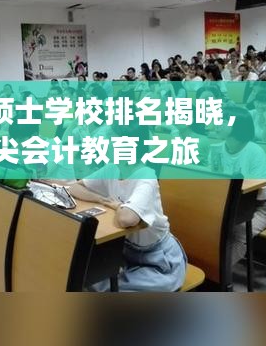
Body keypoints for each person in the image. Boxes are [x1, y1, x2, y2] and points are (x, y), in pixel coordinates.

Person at [68, 122, 187, 292]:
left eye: (109, 140)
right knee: (87, 278)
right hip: (127, 255)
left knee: (106, 287)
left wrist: (118, 206)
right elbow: (75, 188)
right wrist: (102, 199)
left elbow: (126, 219)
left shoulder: (146, 176)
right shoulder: (112, 169)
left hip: (159, 262)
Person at [209, 106, 266, 266]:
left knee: (238, 234)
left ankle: (220, 275)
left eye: (222, 121)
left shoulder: (255, 151)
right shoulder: (216, 150)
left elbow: (264, 193)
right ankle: (206, 269)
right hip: (226, 205)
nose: (216, 124)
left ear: (237, 125)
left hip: (258, 207)